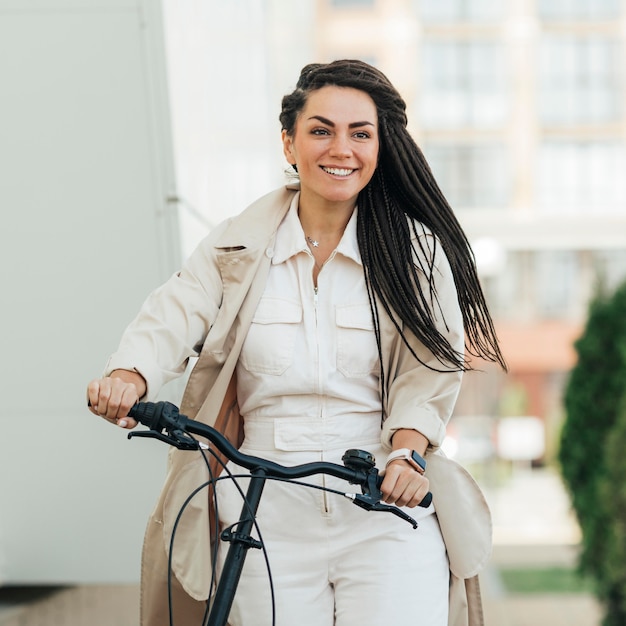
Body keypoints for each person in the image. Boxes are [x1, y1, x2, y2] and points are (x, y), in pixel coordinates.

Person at [87, 59, 506, 626]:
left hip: (381, 500)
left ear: (379, 147)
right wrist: (129, 375)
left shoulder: (416, 253)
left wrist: (407, 452)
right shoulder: (238, 243)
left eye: (361, 134)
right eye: (321, 130)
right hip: (261, 502)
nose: (342, 149)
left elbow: (428, 373)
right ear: (289, 142)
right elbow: (176, 309)